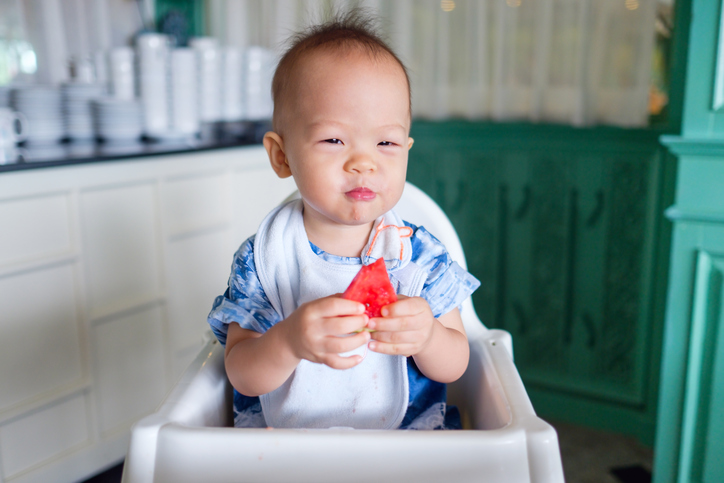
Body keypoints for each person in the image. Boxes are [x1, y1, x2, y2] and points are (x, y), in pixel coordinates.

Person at [207, 10, 480, 430]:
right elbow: (241, 373)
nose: (364, 163)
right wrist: (288, 340)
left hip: (403, 445)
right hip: (288, 450)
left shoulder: (419, 255)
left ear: (407, 147)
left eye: (386, 142)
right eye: (334, 140)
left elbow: (456, 365)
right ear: (282, 156)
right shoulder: (264, 258)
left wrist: (428, 337)